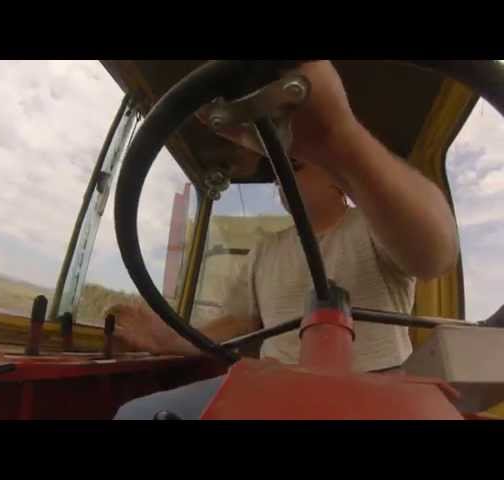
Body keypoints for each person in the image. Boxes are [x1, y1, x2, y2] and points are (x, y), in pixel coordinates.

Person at [109, 61, 460, 419]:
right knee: (135, 414)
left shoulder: (375, 225)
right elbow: (236, 324)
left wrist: (338, 141)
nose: (281, 176)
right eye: (279, 169)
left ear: (337, 180)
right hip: (268, 388)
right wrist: (168, 340)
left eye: (297, 164)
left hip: (376, 388)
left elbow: (435, 255)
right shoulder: (266, 250)